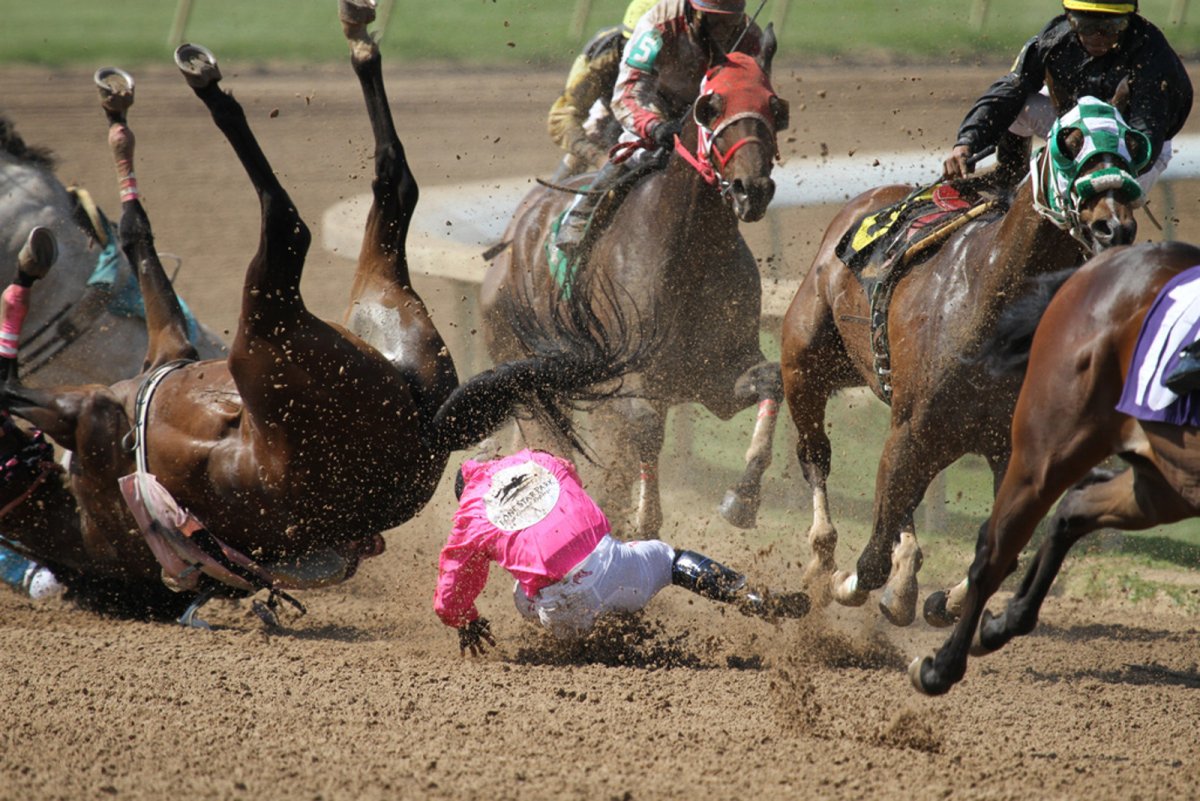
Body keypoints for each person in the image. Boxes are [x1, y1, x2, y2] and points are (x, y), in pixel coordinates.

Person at [433, 448, 807, 654]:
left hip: (562, 611)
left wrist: (466, 620)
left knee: (523, 594)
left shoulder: (470, 515)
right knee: (669, 559)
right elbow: (570, 473)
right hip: (615, 567)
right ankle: (751, 596)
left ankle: (587, 644)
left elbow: (449, 596)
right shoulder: (536, 460)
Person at [555, 0, 764, 256]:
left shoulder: (750, 36)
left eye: (729, 22)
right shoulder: (657, 27)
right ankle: (578, 220)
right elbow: (627, 94)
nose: (722, 30)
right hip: (651, 102)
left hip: (706, 108)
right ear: (693, 12)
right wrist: (654, 128)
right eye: (714, 21)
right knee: (633, 151)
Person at [942, 0, 1192, 193]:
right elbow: (1008, 91)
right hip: (1077, 127)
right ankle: (1006, 177)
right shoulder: (1055, 39)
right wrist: (966, 143)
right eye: (1085, 26)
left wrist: (1099, 170)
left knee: (1088, 208)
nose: (1097, 36)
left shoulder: (1152, 56)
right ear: (1069, 19)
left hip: (1133, 141)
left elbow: (1146, 134)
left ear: (1130, 20)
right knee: (1022, 104)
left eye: (1111, 27)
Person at [547, 0, 658, 180]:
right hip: (614, 114)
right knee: (592, 137)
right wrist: (599, 158)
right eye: (633, 48)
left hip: (669, 114)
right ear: (625, 41)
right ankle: (556, 199)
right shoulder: (602, 57)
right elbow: (561, 117)